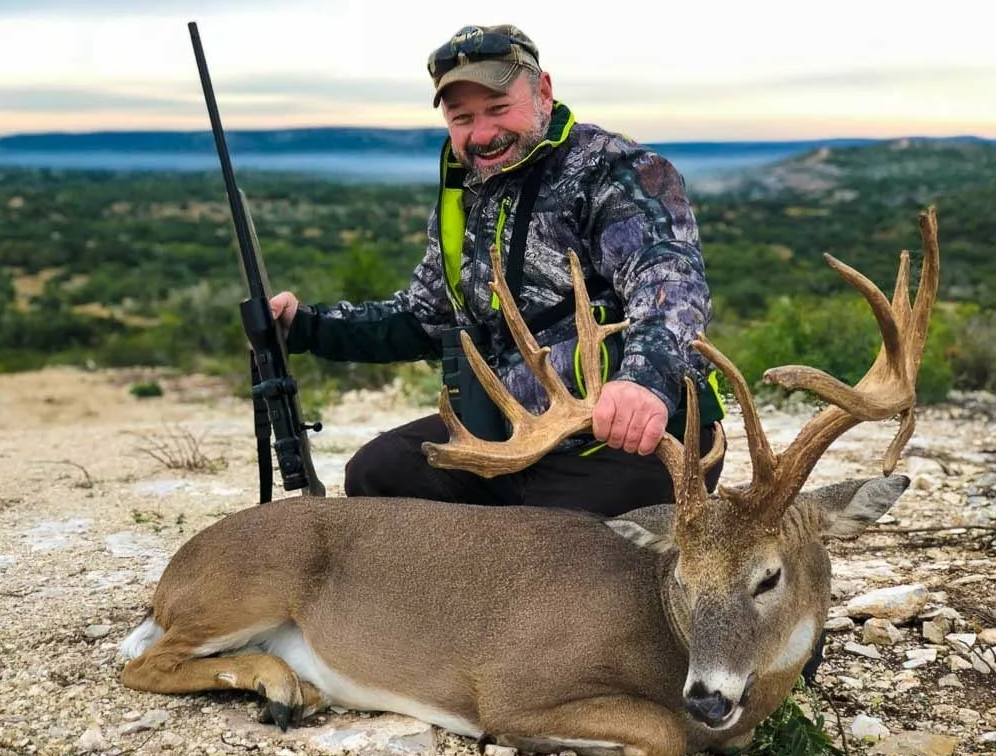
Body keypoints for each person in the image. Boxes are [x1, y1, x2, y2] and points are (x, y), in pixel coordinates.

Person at [270, 24, 726, 517]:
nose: (482, 134)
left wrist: (644, 380)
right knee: (376, 474)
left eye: (498, 109)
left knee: (551, 543)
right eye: (462, 117)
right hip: (510, 437)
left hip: (625, 438)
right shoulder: (468, 193)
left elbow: (670, 283)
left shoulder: (618, 170)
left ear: (543, 92)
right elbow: (424, 318)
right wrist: (304, 327)